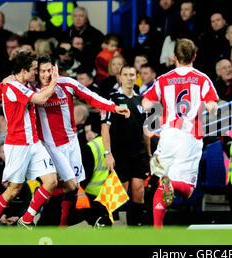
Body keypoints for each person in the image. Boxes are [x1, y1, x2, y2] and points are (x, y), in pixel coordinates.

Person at [28, 55, 129, 227]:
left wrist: (113, 107)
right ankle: (31, 218)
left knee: (72, 189)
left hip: (71, 144)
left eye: (48, 70)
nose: (46, 75)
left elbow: (91, 97)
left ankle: (61, 225)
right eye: (42, 71)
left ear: (54, 69)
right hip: (48, 147)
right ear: (36, 73)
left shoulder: (67, 83)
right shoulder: (31, 89)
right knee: (55, 185)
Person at [141, 38, 219, 228]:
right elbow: (212, 107)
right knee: (188, 191)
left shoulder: (163, 79)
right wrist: (207, 107)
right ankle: (173, 185)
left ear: (174, 57)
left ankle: (157, 231)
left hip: (168, 135)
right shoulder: (202, 79)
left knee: (161, 183)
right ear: (194, 56)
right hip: (190, 137)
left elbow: (145, 104)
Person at [0, 52, 59, 229]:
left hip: (34, 142)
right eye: (34, 70)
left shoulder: (19, 83)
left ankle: (26, 220)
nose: (36, 73)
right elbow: (40, 99)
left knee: (51, 182)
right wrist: (54, 80)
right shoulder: (13, 86)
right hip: (17, 144)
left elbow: (0, 87)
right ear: (24, 70)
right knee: (14, 190)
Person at [101, 64, 150, 226]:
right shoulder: (112, 99)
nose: (129, 78)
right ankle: (104, 224)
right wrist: (108, 153)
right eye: (126, 75)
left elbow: (146, 131)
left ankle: (135, 230)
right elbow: (104, 127)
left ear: (137, 77)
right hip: (120, 154)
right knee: (119, 192)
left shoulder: (141, 100)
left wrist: (149, 155)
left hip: (139, 153)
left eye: (132, 75)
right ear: (120, 77)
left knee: (139, 190)